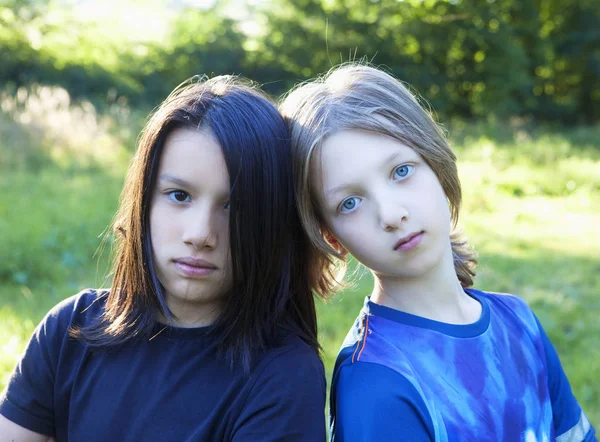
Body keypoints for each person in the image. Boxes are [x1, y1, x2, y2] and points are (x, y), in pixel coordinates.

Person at [0, 75, 327, 442]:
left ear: (272, 220)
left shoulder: (284, 375)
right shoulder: (70, 330)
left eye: (235, 206)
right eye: (179, 195)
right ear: (144, 201)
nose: (200, 234)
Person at [280, 64, 596, 441]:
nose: (392, 214)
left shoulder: (519, 322)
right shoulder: (376, 384)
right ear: (330, 236)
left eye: (400, 171)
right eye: (350, 202)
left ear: (436, 162)